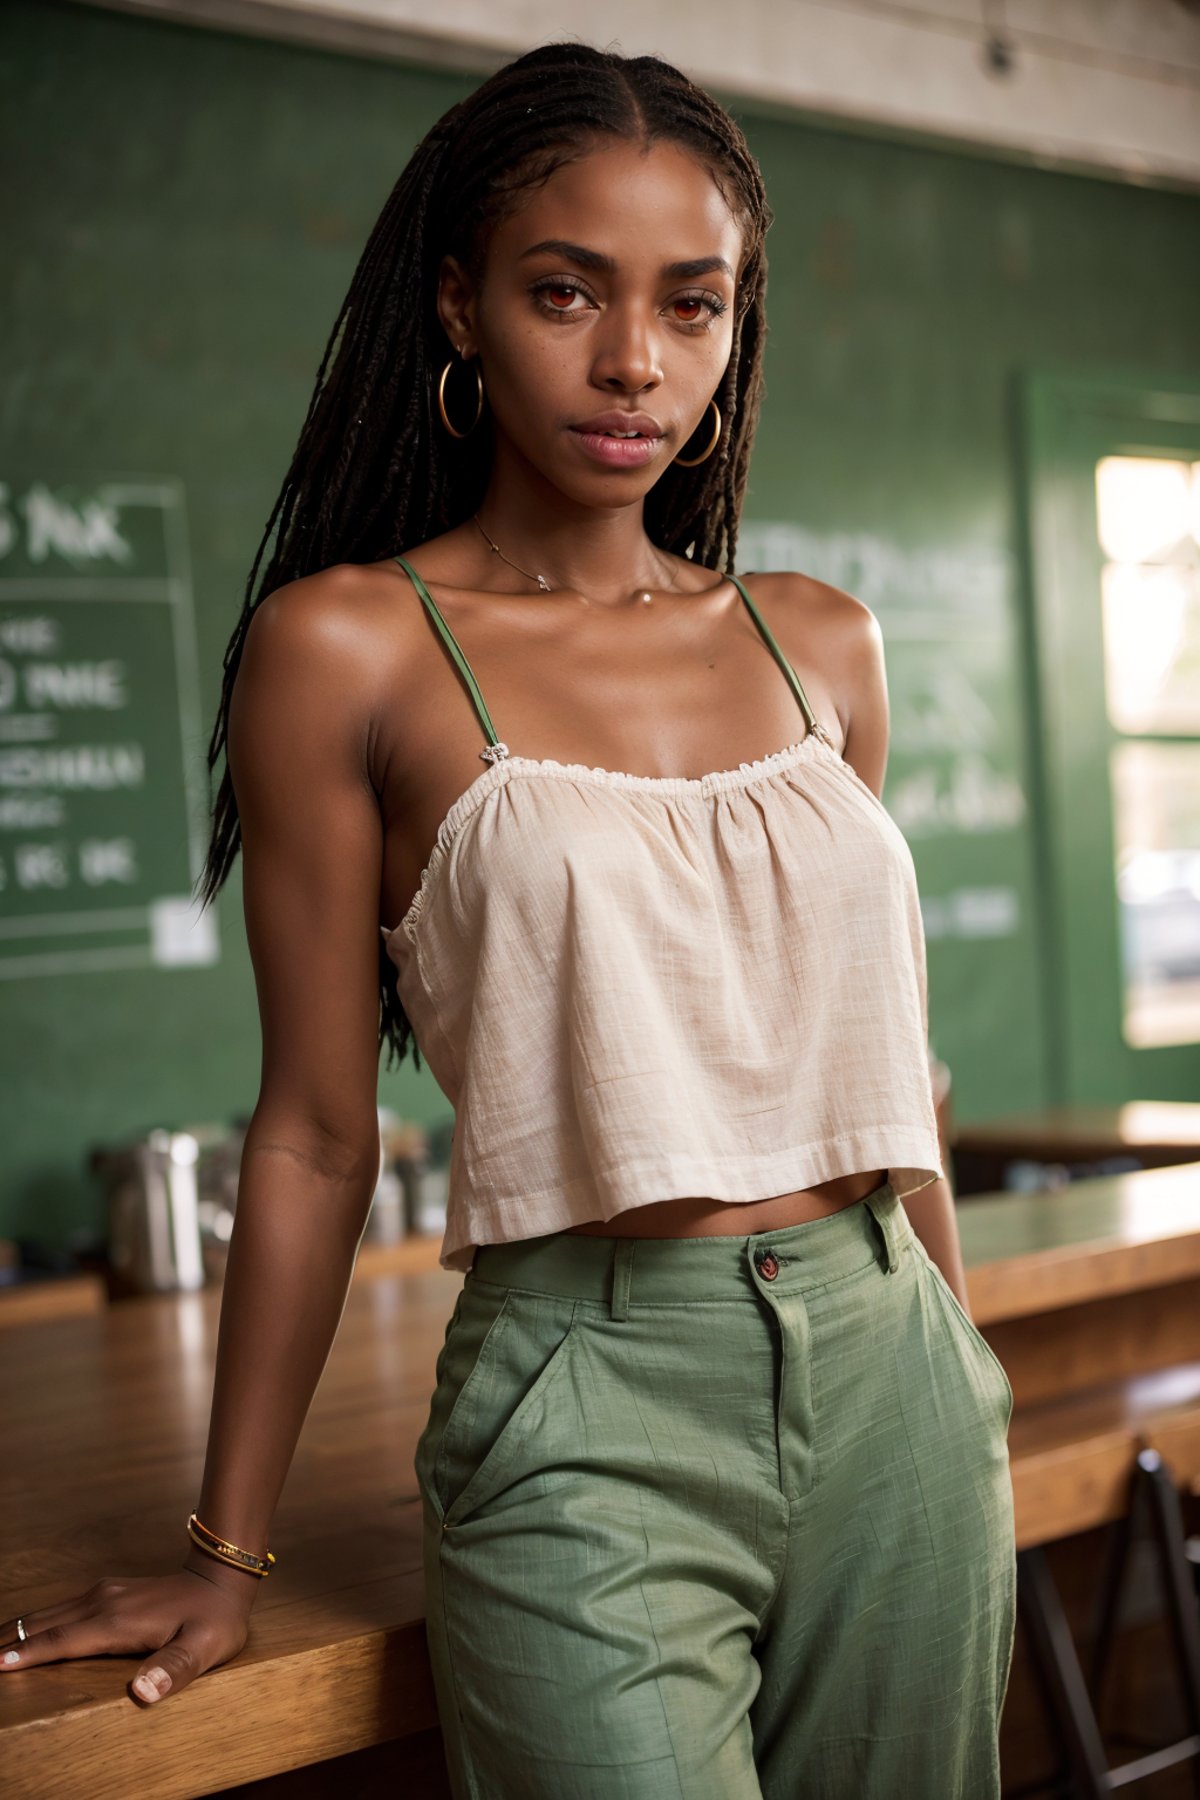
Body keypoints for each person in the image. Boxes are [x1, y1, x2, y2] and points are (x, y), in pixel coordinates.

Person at [0, 41, 1016, 1798]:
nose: (637, 363)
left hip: (897, 1378)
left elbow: (879, 1055)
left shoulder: (822, 640)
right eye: (568, 293)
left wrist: (959, 1362)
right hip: (584, 1402)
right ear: (461, 307)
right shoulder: (346, 650)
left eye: (692, 308)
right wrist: (224, 1551)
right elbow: (318, 1134)